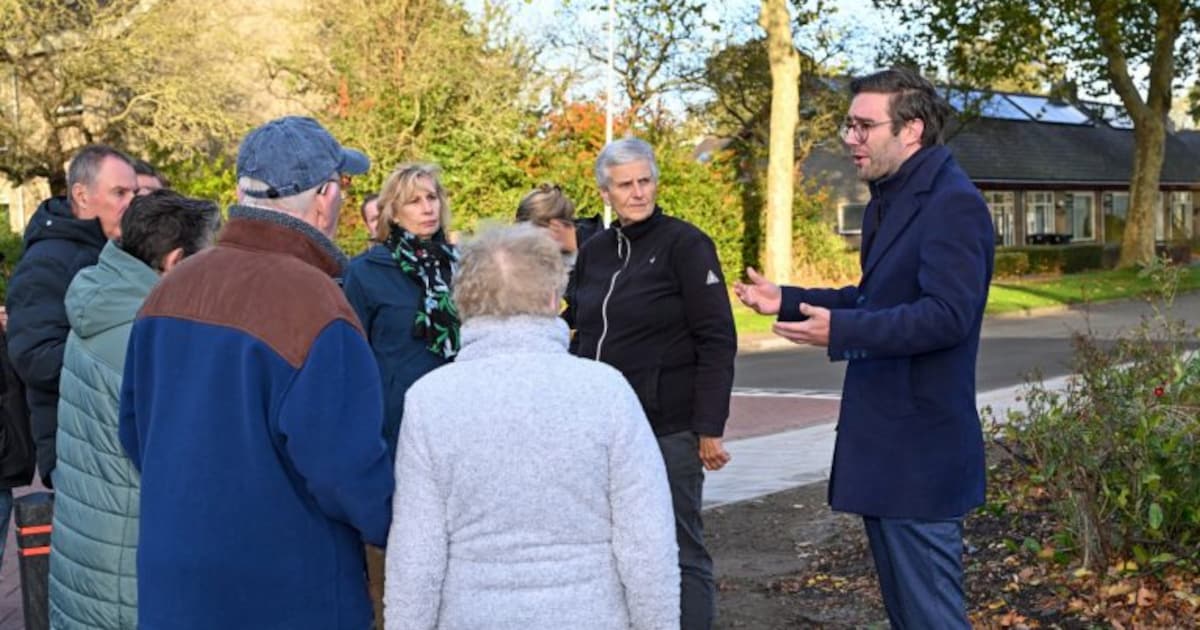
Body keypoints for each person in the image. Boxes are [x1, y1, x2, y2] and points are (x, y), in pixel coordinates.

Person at [734, 67, 994, 629]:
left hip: (921, 460)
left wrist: (843, 332)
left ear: (912, 130)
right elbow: (876, 297)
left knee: (932, 620)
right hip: (888, 454)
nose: (849, 138)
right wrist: (787, 298)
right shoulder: (891, 199)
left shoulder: (952, 203)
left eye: (862, 126)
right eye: (848, 125)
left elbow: (947, 316)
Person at [117, 116, 394, 630]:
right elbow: (346, 468)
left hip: (175, 582)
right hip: (287, 589)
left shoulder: (170, 289)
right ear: (325, 196)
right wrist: (401, 524)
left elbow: (134, 429)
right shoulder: (316, 304)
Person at [384, 224, 680, 630]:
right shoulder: (606, 391)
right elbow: (648, 544)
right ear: (552, 296)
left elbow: (416, 555)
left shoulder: (429, 401)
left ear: (463, 301)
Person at [567, 137, 737, 630]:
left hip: (670, 428)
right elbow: (577, 324)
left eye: (645, 181)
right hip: (600, 429)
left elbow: (717, 339)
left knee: (680, 547)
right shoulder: (595, 251)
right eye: (626, 185)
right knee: (612, 546)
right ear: (606, 192)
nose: (638, 193)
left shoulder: (687, 245)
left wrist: (709, 427)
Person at [49, 190, 221, 630]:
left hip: (89, 554)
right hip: (128, 574)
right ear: (176, 262)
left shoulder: (104, 303)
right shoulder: (150, 338)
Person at [6, 145, 137, 487]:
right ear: (81, 194)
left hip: (113, 445)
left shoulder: (116, 252)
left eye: (134, 192)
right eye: (119, 192)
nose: (131, 203)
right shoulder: (45, 263)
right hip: (78, 453)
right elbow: (34, 359)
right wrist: (123, 354)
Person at [343, 163, 459, 458]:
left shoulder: (461, 266)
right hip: (397, 423)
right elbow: (353, 357)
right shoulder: (365, 272)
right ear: (393, 213)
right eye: (414, 201)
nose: (427, 208)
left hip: (457, 413)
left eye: (432, 198)